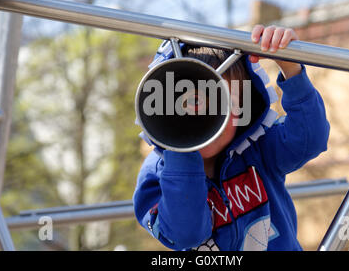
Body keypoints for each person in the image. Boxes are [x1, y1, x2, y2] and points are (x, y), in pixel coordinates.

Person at [133, 25, 330, 251]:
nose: (209, 114)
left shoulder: (259, 148)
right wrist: (182, 144)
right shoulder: (154, 175)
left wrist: (290, 67)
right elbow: (185, 234)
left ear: (246, 110)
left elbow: (310, 139)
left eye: (227, 102)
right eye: (192, 102)